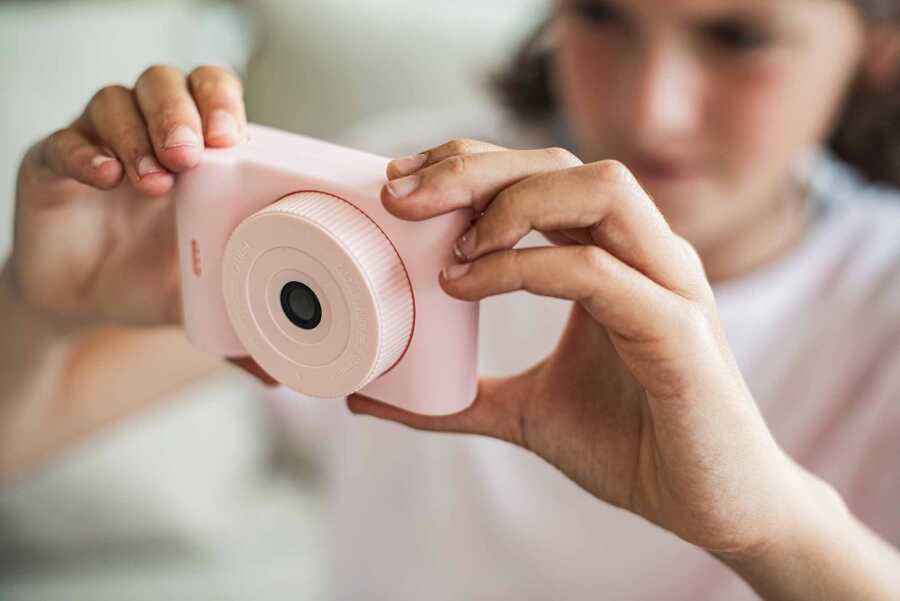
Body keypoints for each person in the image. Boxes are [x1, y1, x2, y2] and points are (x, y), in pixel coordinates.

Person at [2, 0, 899, 599]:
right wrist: (43, 311)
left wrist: (769, 529)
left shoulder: (882, 299)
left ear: (878, 48)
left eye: (739, 37)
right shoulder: (413, 192)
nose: (650, 108)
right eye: (600, 13)